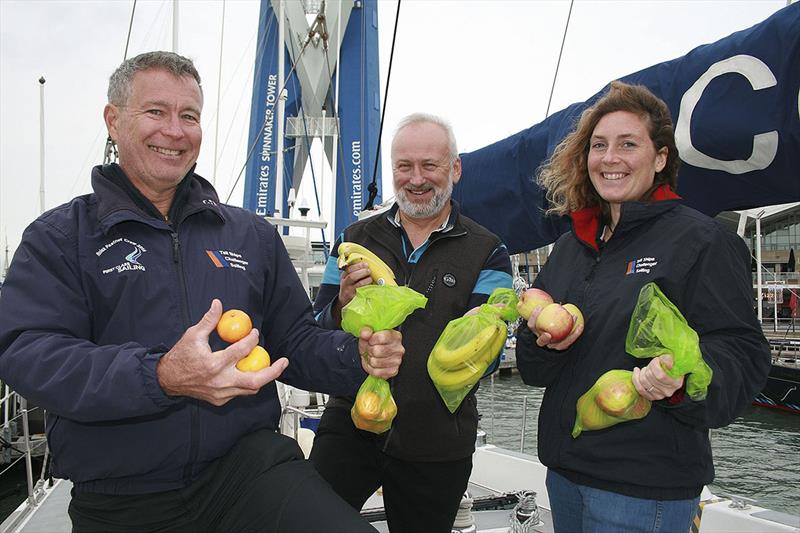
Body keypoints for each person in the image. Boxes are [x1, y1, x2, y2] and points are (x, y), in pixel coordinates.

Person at [0, 51, 406, 533]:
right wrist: (161, 376)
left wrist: (355, 355)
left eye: (188, 116)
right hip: (122, 493)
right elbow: (27, 352)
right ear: (113, 120)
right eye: (156, 111)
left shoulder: (249, 235)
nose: (175, 130)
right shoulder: (61, 237)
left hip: (248, 469)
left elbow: (294, 341)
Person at [514, 81, 771, 533]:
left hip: (644, 492)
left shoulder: (701, 241)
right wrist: (543, 337)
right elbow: (534, 371)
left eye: (627, 144)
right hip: (564, 476)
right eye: (598, 146)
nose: (609, 158)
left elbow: (743, 356)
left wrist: (680, 378)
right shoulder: (572, 246)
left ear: (660, 158)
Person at [309, 113, 513, 532]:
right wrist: (341, 304)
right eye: (404, 166)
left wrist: (484, 333)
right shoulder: (353, 240)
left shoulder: (488, 252)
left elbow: (486, 361)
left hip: (437, 443)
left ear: (454, 169)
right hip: (350, 426)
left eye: (429, 165)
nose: (416, 179)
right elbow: (316, 327)